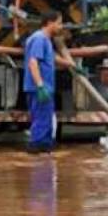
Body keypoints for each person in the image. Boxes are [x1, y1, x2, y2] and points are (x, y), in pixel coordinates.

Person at [24, 11, 63, 154]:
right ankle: (36, 148)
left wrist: (72, 66)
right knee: (41, 119)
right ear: (50, 23)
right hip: (39, 88)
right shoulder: (39, 39)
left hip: (45, 87)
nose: (61, 26)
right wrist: (40, 85)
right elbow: (33, 63)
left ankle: (45, 151)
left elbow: (52, 58)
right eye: (59, 23)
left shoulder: (45, 40)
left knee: (45, 119)